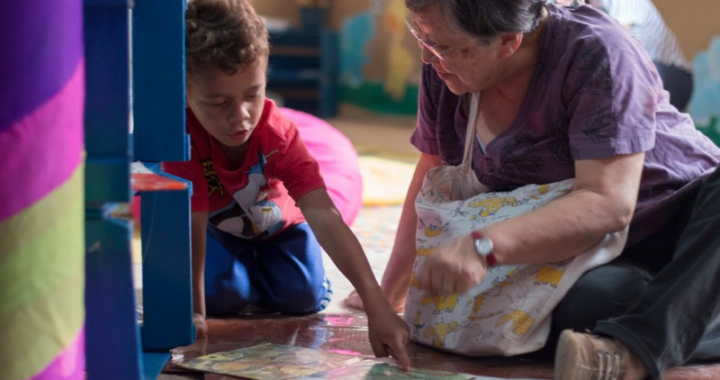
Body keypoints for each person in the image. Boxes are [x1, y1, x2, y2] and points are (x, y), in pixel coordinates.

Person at [343, 1, 720, 379]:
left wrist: (482, 246)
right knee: (591, 305)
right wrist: (388, 292)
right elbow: (432, 167)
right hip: (600, 248)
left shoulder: (597, 52)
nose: (426, 56)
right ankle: (658, 324)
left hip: (690, 233)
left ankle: (639, 349)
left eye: (441, 46)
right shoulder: (447, 67)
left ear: (508, 40)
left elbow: (607, 202)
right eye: (419, 35)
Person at [162, 0, 410, 369]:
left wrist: (378, 305)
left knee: (303, 296)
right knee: (220, 297)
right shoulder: (183, 137)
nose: (240, 116)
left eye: (253, 94)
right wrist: (195, 312)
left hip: (283, 230)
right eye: (217, 101)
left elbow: (323, 213)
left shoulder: (278, 134)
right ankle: (243, 276)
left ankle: (258, 273)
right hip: (221, 233)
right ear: (185, 94)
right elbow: (192, 222)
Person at [555, 0, 694, 111]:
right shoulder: (584, 6)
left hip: (671, 73)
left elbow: (611, 46)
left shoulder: (621, 3)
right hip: (634, 69)